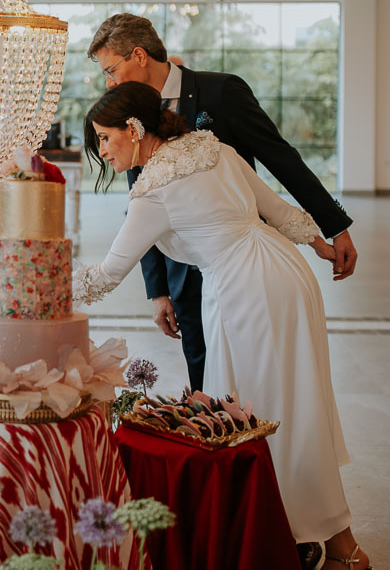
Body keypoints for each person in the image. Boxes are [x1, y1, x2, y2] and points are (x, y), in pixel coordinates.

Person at [72, 82, 371, 570]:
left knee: (257, 410)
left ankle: (330, 545)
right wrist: (319, 241)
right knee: (295, 405)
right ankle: (303, 536)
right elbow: (274, 210)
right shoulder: (216, 149)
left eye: (105, 138)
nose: (103, 151)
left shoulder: (153, 190)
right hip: (287, 272)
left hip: (244, 288)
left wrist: (42, 289)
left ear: (134, 129)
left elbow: (107, 274)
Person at [88, 13, 357, 395]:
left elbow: (280, 158)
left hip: (249, 264)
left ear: (139, 55)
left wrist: (334, 227)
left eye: (112, 69)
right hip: (185, 269)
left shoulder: (221, 91)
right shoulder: (128, 119)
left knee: (261, 377)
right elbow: (141, 201)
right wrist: (158, 290)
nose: (110, 81)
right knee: (206, 372)